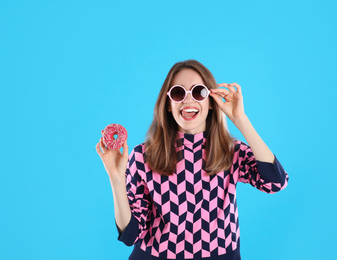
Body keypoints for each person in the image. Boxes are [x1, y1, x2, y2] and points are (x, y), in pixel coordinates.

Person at [95, 59, 289, 260]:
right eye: (178, 93)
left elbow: (276, 182)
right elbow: (130, 236)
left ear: (211, 102)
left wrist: (240, 118)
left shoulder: (231, 151)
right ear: (168, 104)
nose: (188, 100)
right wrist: (116, 177)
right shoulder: (143, 156)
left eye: (199, 92)